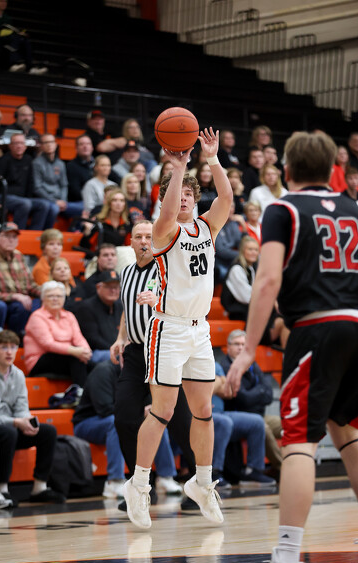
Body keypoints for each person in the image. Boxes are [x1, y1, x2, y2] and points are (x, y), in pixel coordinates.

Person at [226, 131, 358, 563]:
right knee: (346, 428)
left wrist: (247, 349)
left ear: (287, 170)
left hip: (318, 328)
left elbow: (268, 279)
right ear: (333, 168)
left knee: (297, 442)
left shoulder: (282, 209)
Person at [122, 127, 233, 529]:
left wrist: (213, 159)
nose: (183, 198)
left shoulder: (207, 227)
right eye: (176, 193)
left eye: (188, 193)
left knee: (204, 411)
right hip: (167, 330)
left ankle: (202, 483)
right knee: (164, 410)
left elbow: (227, 199)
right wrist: (178, 166)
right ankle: (138, 485)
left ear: (195, 198)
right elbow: (167, 214)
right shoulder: (163, 230)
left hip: (199, 330)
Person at [111, 220, 196, 507]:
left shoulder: (167, 268)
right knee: (123, 417)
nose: (144, 241)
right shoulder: (126, 272)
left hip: (164, 351)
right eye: (139, 237)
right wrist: (120, 338)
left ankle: (199, 483)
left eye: (149, 236)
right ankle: (140, 487)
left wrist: (157, 300)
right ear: (131, 242)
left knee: (181, 422)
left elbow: (186, 306)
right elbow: (127, 310)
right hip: (136, 354)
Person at [0, 329, 65, 505]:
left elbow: (22, 406)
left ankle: (40, 487)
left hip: (10, 426)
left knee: (47, 431)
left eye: (13, 347)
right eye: (4, 347)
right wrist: (16, 422)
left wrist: (26, 421)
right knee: (9, 431)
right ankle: (2, 488)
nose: (9, 352)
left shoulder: (17, 374)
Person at [218, 330, 282, 478]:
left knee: (288, 425)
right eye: (236, 344)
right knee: (263, 427)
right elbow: (242, 399)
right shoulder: (226, 367)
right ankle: (283, 468)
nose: (240, 348)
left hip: (260, 415)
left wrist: (256, 393)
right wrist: (260, 392)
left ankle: (291, 463)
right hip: (240, 417)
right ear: (228, 347)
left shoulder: (252, 364)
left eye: (243, 344)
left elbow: (269, 395)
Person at [211, 361, 277, 488]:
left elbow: (229, 392)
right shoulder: (190, 363)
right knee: (224, 423)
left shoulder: (216, 365)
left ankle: (253, 471)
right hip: (200, 414)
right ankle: (214, 472)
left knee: (257, 422)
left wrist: (212, 385)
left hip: (221, 413)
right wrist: (219, 381)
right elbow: (199, 391)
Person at [221, 235, 289, 348]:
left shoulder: (254, 267)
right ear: (242, 251)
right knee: (282, 320)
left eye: (256, 250)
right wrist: (271, 300)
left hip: (253, 310)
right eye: (250, 249)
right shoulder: (236, 269)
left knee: (287, 318)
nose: (254, 252)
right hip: (241, 313)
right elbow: (247, 297)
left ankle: (282, 351)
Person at [72, 360, 126, 499]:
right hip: (86, 422)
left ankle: (164, 477)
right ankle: (114, 481)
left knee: (154, 420)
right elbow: (105, 409)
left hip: (116, 418)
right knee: (115, 422)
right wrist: (136, 412)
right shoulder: (103, 371)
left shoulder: (138, 374)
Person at [24, 281, 91, 387]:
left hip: (67, 356)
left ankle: (86, 393)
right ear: (43, 299)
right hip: (40, 360)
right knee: (76, 360)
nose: (55, 299)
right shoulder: (37, 317)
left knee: (94, 365)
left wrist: (86, 350)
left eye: (59, 296)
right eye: (51, 296)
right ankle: (81, 393)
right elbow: (48, 344)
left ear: (64, 299)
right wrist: (75, 351)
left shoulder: (69, 316)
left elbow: (78, 338)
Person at [0, 222, 40, 335]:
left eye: (14, 237)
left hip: (22, 299)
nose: (11, 240)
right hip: (3, 301)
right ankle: (14, 338)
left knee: (48, 300)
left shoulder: (19, 256)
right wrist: (15, 296)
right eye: (7, 236)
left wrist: (47, 292)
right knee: (18, 307)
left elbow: (30, 285)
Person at [0, 133, 52, 230]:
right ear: (10, 146)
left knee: (44, 205)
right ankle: (18, 232)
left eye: (21, 143)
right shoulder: (3, 160)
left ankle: (35, 232)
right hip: (4, 196)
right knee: (25, 204)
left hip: (23, 198)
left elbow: (30, 183)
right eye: (16, 143)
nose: (19, 146)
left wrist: (29, 198)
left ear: (25, 146)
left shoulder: (28, 160)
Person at [0, 0, 47, 75]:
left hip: (6, 40)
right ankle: (14, 64)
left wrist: (18, 34)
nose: (4, 3)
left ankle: (30, 67)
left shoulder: (7, 18)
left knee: (23, 40)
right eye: (1, 1)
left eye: (5, 2)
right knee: (11, 42)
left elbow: (9, 31)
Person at [75, 270, 122, 364]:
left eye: (116, 287)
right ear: (98, 287)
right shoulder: (86, 307)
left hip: (117, 351)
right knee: (124, 359)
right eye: (109, 287)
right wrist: (116, 350)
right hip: (96, 352)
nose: (113, 291)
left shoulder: (120, 306)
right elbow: (93, 339)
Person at [32, 133, 68, 223]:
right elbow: (37, 188)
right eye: (46, 142)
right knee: (54, 208)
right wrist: (55, 201)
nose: (49, 145)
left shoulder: (61, 164)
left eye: (51, 142)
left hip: (60, 200)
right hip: (45, 199)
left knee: (81, 208)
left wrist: (63, 200)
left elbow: (64, 185)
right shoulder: (36, 163)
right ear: (41, 146)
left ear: (56, 144)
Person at [66, 135, 95, 217]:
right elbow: (75, 192)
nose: (85, 146)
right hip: (80, 202)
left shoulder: (98, 164)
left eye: (88, 144)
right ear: (76, 148)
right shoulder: (71, 166)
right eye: (81, 144)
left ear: (92, 147)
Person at [81, 154, 117, 218]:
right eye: (103, 165)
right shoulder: (90, 184)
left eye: (108, 165)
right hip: (96, 217)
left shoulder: (114, 185)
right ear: (96, 167)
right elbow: (89, 207)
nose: (106, 168)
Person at [214, 201, 242, 283]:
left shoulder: (233, 223)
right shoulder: (215, 223)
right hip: (217, 260)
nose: (230, 209)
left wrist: (243, 225)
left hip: (232, 259)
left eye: (232, 207)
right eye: (227, 206)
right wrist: (241, 255)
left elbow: (240, 243)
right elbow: (220, 251)